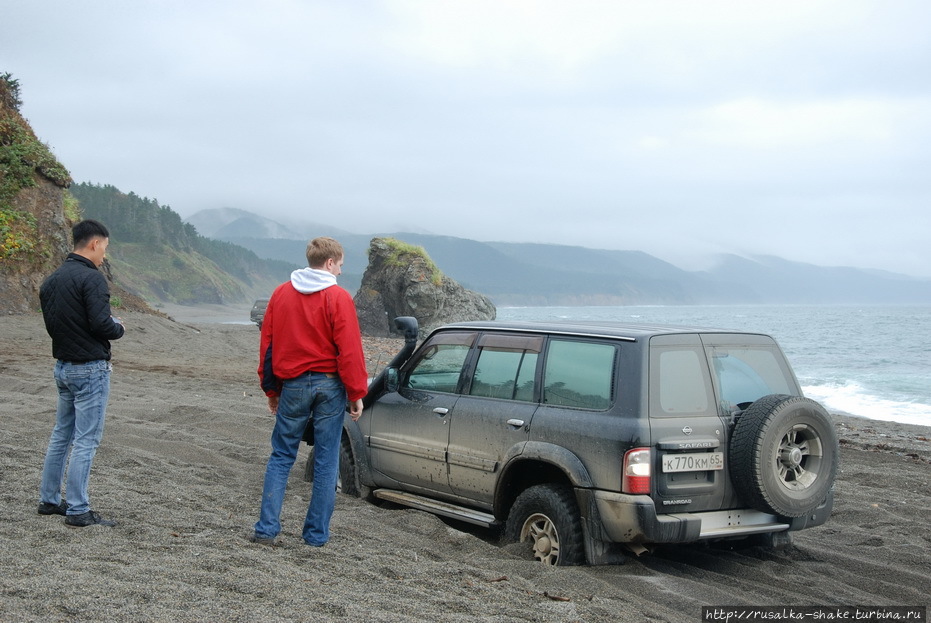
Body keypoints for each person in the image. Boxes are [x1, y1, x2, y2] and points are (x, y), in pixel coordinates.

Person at [253, 237, 368, 547]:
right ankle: (315, 535)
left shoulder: (281, 293)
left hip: (292, 383)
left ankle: (266, 528)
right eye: (341, 265)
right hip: (329, 385)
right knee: (327, 459)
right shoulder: (338, 297)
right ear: (329, 263)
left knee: (281, 456)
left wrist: (270, 388)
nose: (342, 272)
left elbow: (269, 344)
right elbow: (349, 350)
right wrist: (357, 391)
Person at [37, 219, 125, 528]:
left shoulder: (52, 280)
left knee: (62, 434)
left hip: (62, 366)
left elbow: (54, 324)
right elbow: (102, 325)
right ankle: (77, 508)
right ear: (93, 244)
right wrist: (120, 327)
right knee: (86, 440)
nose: (104, 254)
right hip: (89, 368)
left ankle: (49, 500)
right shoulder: (92, 279)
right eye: (104, 247)